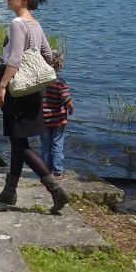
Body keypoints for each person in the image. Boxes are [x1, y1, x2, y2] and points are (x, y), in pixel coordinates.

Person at [0, 0, 71, 214]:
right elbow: (48, 55)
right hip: (33, 90)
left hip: (16, 91)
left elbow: (15, 60)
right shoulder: (35, 25)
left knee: (21, 144)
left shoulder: (17, 23)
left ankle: (56, 189)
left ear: (23, 0)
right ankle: (9, 191)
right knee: (19, 142)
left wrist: (2, 86)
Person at [40, 49, 74, 179]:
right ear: (59, 65)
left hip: (43, 120)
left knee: (45, 146)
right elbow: (66, 100)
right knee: (57, 146)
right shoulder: (60, 83)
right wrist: (71, 108)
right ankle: (58, 172)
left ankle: (45, 171)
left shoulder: (41, 82)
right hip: (58, 121)